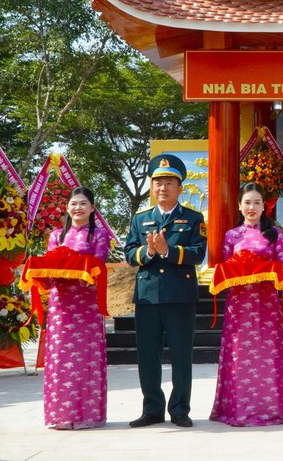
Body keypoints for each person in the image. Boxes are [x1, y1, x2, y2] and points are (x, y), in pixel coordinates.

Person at [124, 154, 207, 428]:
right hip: (147, 297)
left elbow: (198, 254)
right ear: (152, 187)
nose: (163, 188)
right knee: (148, 356)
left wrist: (168, 251)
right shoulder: (141, 219)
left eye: (169, 182)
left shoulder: (193, 218)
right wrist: (148, 251)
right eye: (158, 182)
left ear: (180, 188)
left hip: (180, 296)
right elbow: (128, 253)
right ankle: (152, 409)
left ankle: (180, 409)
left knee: (181, 355)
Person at [209, 183, 283, 426]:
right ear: (239, 205)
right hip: (239, 305)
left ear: (264, 206)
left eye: (257, 202)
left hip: (266, 304)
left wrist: (260, 268)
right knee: (239, 353)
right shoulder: (231, 236)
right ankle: (236, 409)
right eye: (247, 202)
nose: (252, 207)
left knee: (267, 354)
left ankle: (269, 409)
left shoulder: (274, 234)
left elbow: (281, 268)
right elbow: (226, 268)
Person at [42, 187, 112, 430]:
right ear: (67, 208)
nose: (78, 208)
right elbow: (50, 266)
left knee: (86, 357)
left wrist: (79, 271)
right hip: (61, 304)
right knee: (60, 356)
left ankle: (88, 414)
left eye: (83, 203)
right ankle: (60, 415)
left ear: (92, 208)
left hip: (87, 304)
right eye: (74, 203)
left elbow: (98, 265)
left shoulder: (100, 235)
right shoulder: (56, 236)